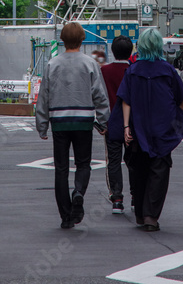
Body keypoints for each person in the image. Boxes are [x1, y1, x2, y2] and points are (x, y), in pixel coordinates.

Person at [114, 28, 183, 232]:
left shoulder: (133, 70)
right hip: (163, 128)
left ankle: (139, 213)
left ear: (141, 46)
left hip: (138, 127)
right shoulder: (168, 71)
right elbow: (181, 102)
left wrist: (126, 126)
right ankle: (151, 216)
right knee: (159, 171)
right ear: (158, 45)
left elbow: (125, 99)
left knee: (139, 169)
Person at [35, 22, 110, 229]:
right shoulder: (90, 63)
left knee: (61, 169)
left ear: (62, 39)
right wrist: (103, 121)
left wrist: (42, 126)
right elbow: (100, 95)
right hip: (84, 121)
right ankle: (78, 192)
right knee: (83, 164)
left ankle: (66, 216)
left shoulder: (53, 64)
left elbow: (44, 97)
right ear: (82, 38)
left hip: (59, 122)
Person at [101, 36, 133, 213]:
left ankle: (117, 198)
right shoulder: (133, 70)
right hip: (132, 123)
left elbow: (100, 96)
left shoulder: (104, 71)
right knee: (133, 160)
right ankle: (136, 195)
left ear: (112, 51)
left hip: (111, 121)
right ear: (131, 51)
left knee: (113, 160)